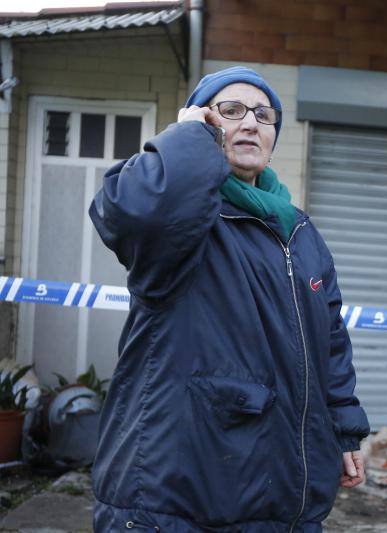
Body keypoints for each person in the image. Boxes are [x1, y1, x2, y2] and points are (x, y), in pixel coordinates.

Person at [89, 66, 370, 532]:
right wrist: (187, 138)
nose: (251, 123)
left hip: (278, 496)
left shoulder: (300, 231)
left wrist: (344, 428)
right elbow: (132, 211)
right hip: (178, 497)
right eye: (232, 110)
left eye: (264, 114)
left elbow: (331, 339)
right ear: (202, 121)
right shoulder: (185, 223)